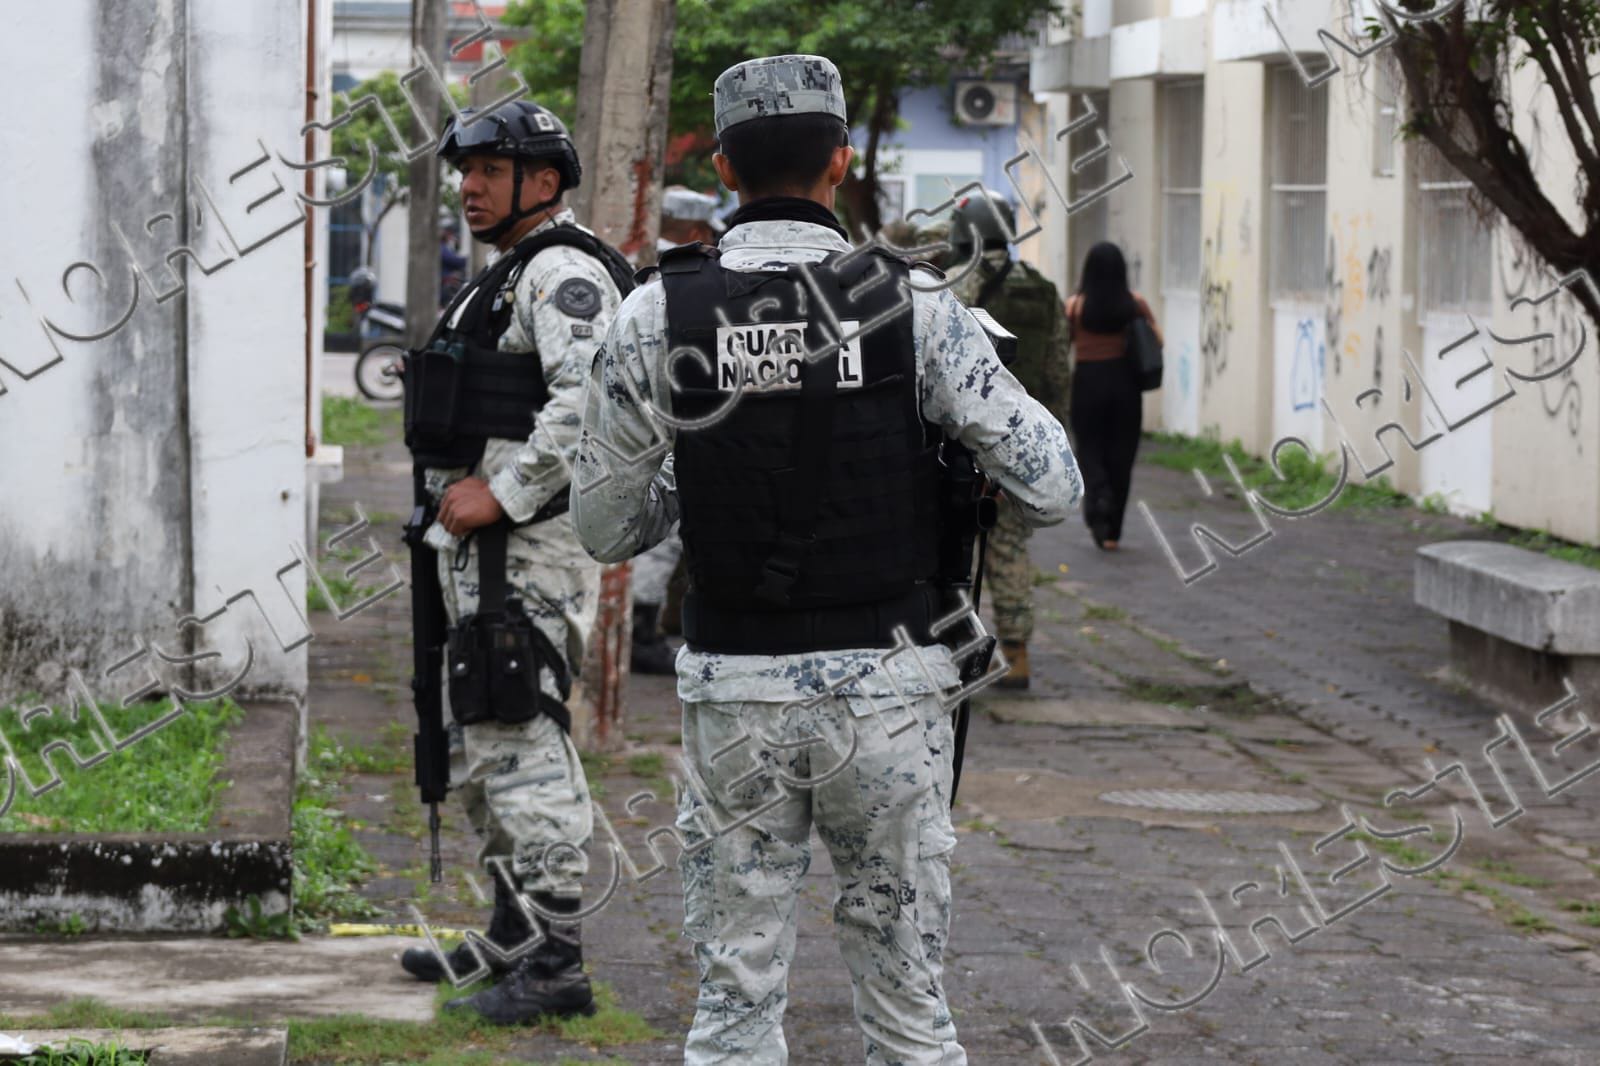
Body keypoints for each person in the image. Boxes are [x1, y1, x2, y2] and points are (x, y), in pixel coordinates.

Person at [571, 53, 1081, 1065]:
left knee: (733, 1009)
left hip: (735, 696)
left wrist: (700, 482)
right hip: (890, 691)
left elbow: (605, 528)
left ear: (723, 167)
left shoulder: (656, 314)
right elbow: (1053, 487)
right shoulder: (918, 306)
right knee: (908, 1011)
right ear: (841, 160)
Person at [396, 97, 635, 1026]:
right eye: (466, 171)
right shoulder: (506, 274)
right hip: (480, 553)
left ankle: (556, 961)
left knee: (521, 735)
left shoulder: (563, 272)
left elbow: (593, 399)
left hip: (524, 550)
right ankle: (510, 935)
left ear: (542, 181)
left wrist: (503, 491)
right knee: (485, 739)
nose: (470, 187)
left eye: (489, 171)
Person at [947, 189, 1071, 691]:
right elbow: (1058, 370)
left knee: (959, 550)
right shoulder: (1041, 289)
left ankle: (959, 654)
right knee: (1012, 545)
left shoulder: (955, 284)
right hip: (1024, 438)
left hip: (968, 439)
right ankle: (1017, 654)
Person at [630, 186, 727, 674]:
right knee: (662, 530)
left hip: (628, 417)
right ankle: (639, 633)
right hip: (668, 418)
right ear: (694, 230)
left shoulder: (635, 266)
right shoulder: (685, 277)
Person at [1067, 241, 1162, 550]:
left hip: (1087, 383)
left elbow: (1064, 341)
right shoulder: (1135, 304)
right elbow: (1158, 341)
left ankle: (1098, 497)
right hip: (1125, 386)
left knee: (1089, 449)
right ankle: (1112, 533)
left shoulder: (1075, 306)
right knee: (1122, 455)